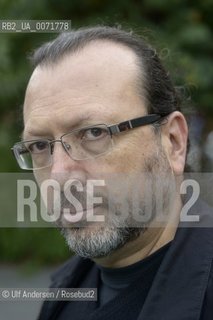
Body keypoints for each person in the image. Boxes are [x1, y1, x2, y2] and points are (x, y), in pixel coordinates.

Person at [12, 26, 213, 320]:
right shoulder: (64, 293)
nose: (59, 175)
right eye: (40, 145)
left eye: (94, 133)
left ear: (173, 142)